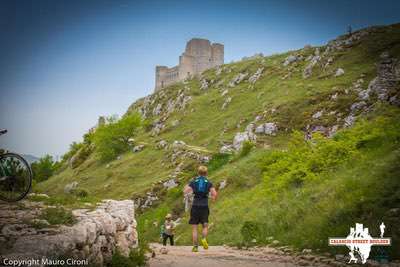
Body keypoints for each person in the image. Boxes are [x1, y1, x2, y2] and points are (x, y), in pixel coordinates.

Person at [184, 165, 218, 252]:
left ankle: (195, 247)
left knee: (194, 228)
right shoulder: (209, 182)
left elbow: (186, 191)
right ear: (206, 173)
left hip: (195, 206)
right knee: (205, 226)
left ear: (198, 173)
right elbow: (214, 193)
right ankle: (203, 239)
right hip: (204, 206)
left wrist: (189, 191)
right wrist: (213, 199)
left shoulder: (194, 181)